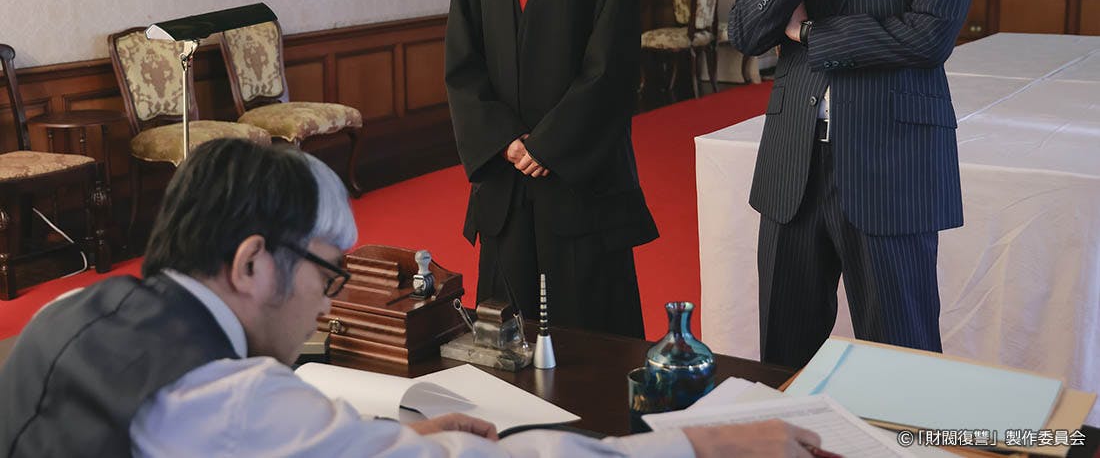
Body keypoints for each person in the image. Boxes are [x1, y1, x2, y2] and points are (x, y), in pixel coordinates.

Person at [0, 138, 821, 457]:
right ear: (251, 263)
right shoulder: (227, 396)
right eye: (329, 273)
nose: (328, 305)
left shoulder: (64, 311)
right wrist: (706, 447)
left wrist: (380, 438)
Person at [728, 0, 980, 370]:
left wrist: (807, 31)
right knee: (784, 359)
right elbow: (747, 33)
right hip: (793, 165)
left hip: (892, 164)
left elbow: (927, 36)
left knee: (902, 362)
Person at [445, 0, 657, 338]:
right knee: (506, 334)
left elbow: (611, 68)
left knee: (591, 337)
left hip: (580, 177)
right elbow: (463, 66)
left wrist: (548, 145)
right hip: (506, 178)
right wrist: (506, 142)